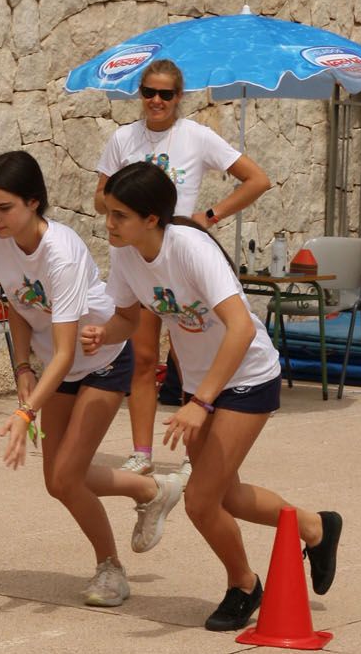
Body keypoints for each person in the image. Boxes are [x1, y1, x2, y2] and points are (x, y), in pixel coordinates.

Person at [82, 162, 341, 632]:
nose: (109, 223)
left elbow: (240, 328)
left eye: (119, 215)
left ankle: (244, 585)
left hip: (246, 374)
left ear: (152, 219)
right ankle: (315, 526)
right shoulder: (125, 254)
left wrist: (200, 403)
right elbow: (129, 318)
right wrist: (105, 333)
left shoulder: (191, 249)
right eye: (109, 213)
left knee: (202, 501)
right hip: (202, 382)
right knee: (232, 497)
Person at [0, 150, 186, 610]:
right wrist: (22, 368)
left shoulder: (62, 253)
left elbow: (70, 348)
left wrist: (24, 411)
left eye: (4, 208)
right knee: (58, 481)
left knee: (68, 477)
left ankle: (110, 569)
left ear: (34, 203)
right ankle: (153, 490)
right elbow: (15, 305)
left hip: (103, 361)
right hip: (57, 367)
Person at [93, 56, 270, 474]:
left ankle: (198, 447)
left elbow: (257, 179)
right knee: (141, 354)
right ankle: (142, 451)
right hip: (139, 249)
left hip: (180, 248)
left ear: (179, 98)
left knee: (191, 338)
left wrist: (208, 216)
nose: (156, 100)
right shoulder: (123, 138)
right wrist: (126, 200)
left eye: (166, 94)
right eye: (148, 92)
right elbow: (100, 196)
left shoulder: (197, 136)